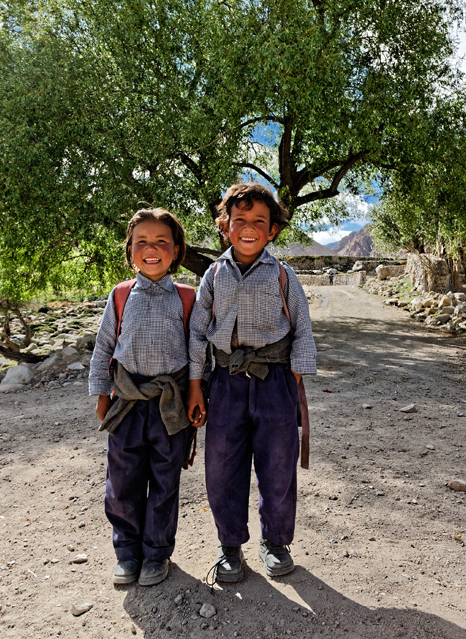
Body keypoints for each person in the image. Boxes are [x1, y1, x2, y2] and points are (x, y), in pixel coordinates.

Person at [186, 182, 316, 583]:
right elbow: (197, 331)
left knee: (278, 466)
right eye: (239, 220)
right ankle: (230, 546)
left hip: (275, 382)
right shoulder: (211, 275)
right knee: (222, 466)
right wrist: (196, 384)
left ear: (273, 229)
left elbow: (303, 330)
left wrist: (291, 380)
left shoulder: (283, 275)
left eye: (259, 221)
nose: (248, 227)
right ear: (225, 226)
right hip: (225, 383)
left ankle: (275, 542)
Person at [88, 208, 196, 587]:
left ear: (177, 250)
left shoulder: (187, 298)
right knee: (122, 481)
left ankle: (156, 554)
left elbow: (199, 353)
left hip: (171, 406)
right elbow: (104, 347)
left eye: (162, 242)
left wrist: (198, 396)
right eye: (142, 243)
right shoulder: (120, 295)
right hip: (127, 404)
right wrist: (101, 395)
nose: (152, 249)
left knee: (165, 483)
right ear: (130, 250)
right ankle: (127, 552)